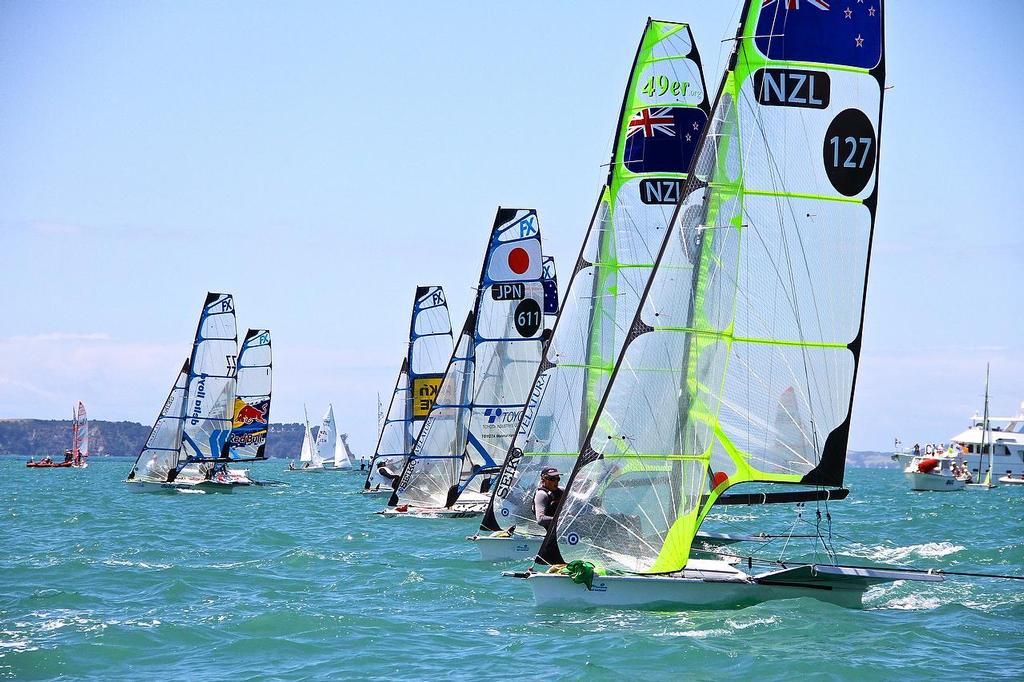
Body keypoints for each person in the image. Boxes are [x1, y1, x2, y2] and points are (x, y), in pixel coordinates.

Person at [534, 466, 564, 530]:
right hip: (545, 532)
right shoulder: (541, 494)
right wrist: (562, 519)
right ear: (543, 479)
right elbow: (540, 519)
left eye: (558, 479)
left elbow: (577, 499)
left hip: (560, 529)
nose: (556, 481)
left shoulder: (562, 490)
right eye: (552, 479)